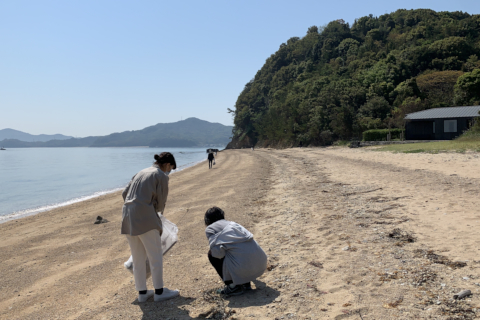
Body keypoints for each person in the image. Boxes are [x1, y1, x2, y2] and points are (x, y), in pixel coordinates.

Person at [121, 152, 180, 303]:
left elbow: (124, 193)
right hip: (145, 216)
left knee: (138, 257)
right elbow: (161, 204)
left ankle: (142, 293)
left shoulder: (140, 172)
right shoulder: (161, 175)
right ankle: (159, 292)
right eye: (171, 168)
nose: (169, 172)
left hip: (127, 216)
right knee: (155, 255)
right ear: (167, 164)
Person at [204, 207, 267, 296]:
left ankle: (233, 287)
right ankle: (246, 284)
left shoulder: (210, 228)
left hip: (245, 268)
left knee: (212, 254)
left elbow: (217, 254)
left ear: (207, 220)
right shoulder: (233, 224)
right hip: (261, 264)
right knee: (238, 250)